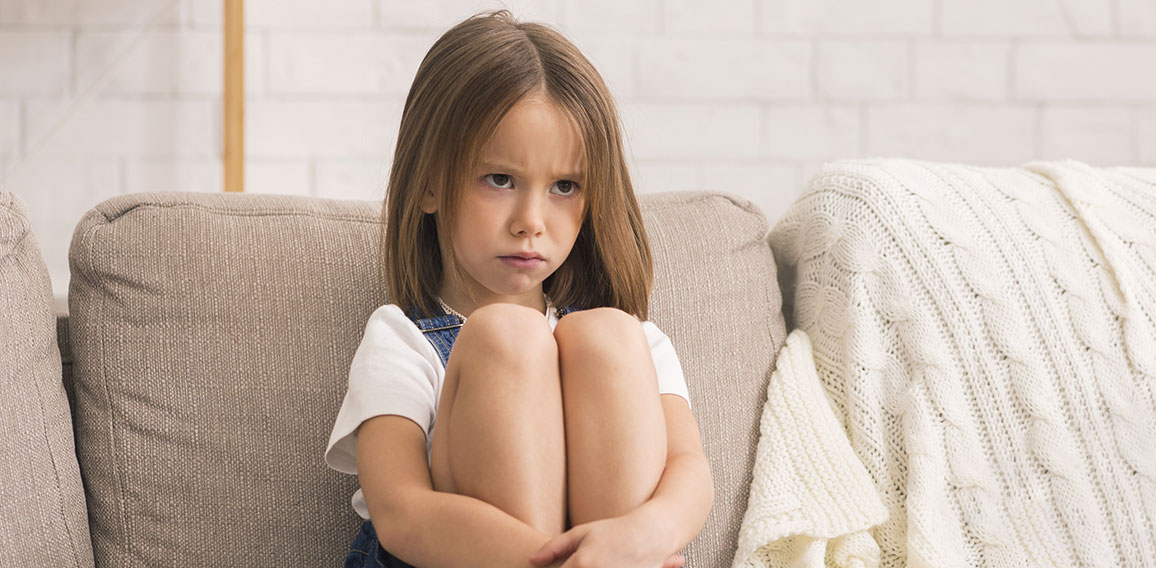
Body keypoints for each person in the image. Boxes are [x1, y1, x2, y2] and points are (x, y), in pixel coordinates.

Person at [325, 10, 713, 567]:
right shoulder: (401, 339)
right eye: (499, 179)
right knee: (508, 336)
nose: (531, 220)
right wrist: (567, 561)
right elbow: (402, 513)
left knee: (607, 333)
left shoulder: (633, 342)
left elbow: (690, 471)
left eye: (564, 186)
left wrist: (638, 539)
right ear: (431, 183)